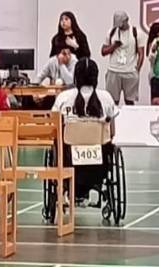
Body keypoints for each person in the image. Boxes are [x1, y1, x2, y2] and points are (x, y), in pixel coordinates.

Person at [52, 58, 118, 206]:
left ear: (76, 76)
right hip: (99, 161)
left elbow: (54, 127)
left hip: (69, 158)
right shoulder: (106, 98)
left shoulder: (63, 98)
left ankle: (67, 190)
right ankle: (95, 188)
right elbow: (112, 133)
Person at [101, 11, 146, 105]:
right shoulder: (112, 32)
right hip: (113, 70)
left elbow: (141, 53)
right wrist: (114, 46)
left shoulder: (136, 33)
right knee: (112, 101)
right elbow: (103, 51)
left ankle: (130, 119)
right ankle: (113, 119)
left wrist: (137, 69)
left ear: (126, 20)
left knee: (129, 101)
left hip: (130, 71)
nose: (119, 26)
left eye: (121, 23)